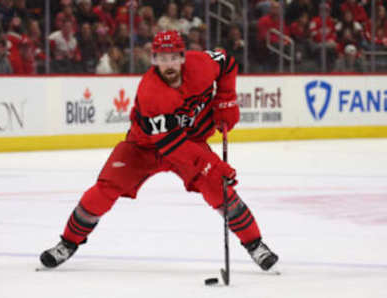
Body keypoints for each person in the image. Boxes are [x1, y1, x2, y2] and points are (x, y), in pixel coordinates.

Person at [40, 30, 279, 272]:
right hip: (143, 147)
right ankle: (67, 243)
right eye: (163, 59)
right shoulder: (151, 93)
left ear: (183, 57)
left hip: (189, 140)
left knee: (222, 192)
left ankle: (256, 245)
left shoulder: (202, 65)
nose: (169, 64)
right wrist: (212, 165)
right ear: (153, 59)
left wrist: (226, 98)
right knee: (102, 191)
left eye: (174, 57)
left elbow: (226, 62)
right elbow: (172, 146)